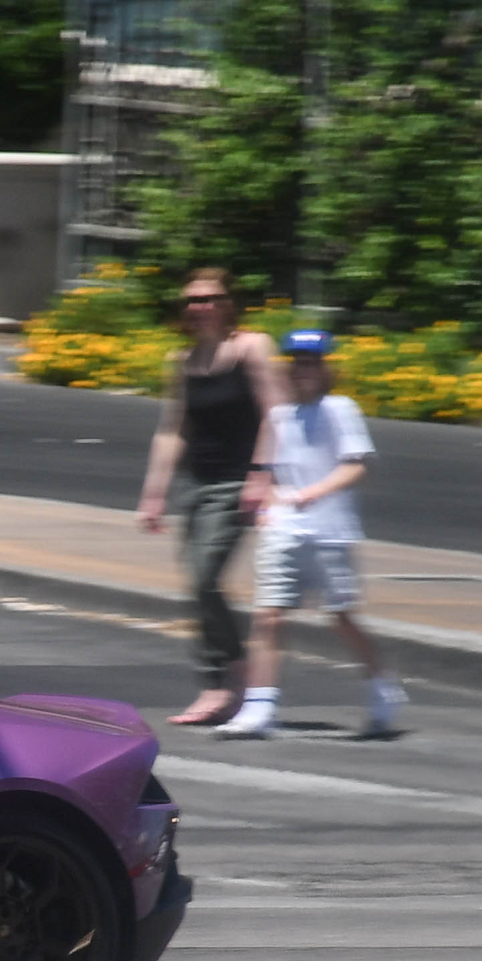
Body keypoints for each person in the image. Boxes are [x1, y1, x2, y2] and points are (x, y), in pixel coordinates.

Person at [216, 331, 406, 740]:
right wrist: (266, 503)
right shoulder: (280, 415)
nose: (304, 370)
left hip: (330, 532)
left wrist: (311, 494)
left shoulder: (340, 409)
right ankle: (259, 707)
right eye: (297, 362)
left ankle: (382, 686)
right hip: (285, 529)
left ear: (326, 368)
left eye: (312, 362)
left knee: (339, 617)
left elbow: (358, 465)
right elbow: (267, 469)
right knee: (268, 615)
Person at [136, 267, 289, 726]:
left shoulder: (251, 348)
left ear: (229, 305)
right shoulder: (184, 360)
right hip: (197, 482)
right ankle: (222, 678)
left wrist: (261, 475)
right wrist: (154, 493)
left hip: (237, 482)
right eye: (193, 300)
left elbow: (275, 413)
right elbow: (172, 429)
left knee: (205, 577)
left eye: (211, 298)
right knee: (196, 583)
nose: (201, 306)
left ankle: (226, 680)